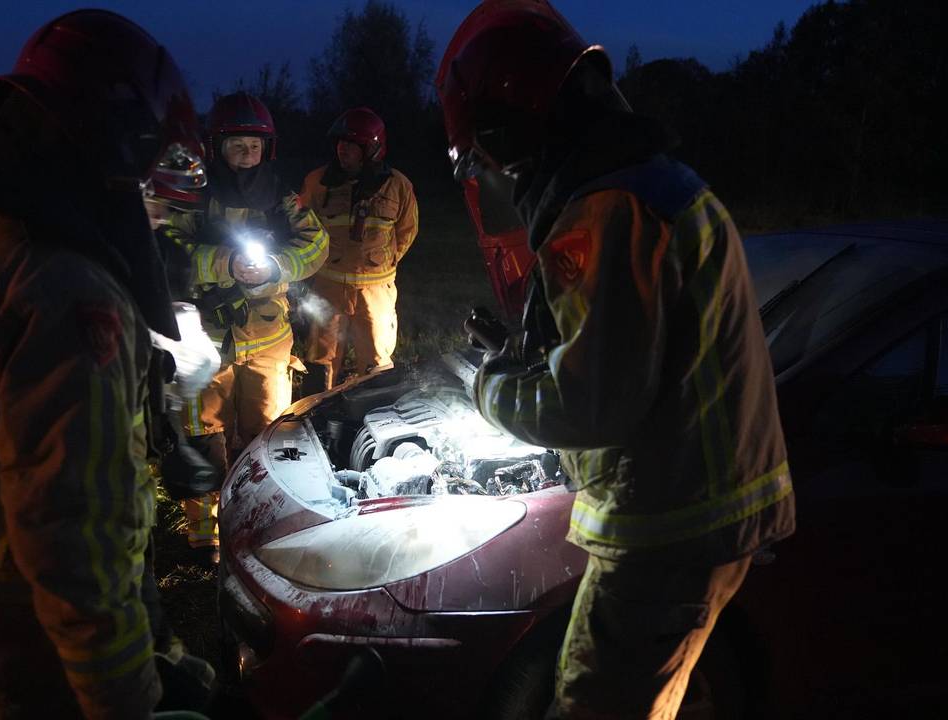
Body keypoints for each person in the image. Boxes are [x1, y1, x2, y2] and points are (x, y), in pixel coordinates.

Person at [437, 2, 796, 718]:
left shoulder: (605, 211)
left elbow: (589, 404)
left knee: (596, 704)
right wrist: (530, 352)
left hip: (668, 528)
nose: (498, 175)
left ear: (510, 131)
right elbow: (633, 347)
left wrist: (491, 389)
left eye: (487, 154)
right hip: (698, 513)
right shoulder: (654, 185)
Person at [0, 10, 214, 718]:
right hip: (32, 640)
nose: (158, 206)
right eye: (153, 169)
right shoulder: (67, 295)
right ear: (116, 146)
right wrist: (132, 698)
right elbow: (76, 542)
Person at [152, 92, 327, 565]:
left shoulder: (284, 197)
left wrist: (275, 266)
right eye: (236, 146)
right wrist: (224, 263)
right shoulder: (194, 195)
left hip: (268, 338)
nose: (245, 154)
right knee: (202, 427)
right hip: (205, 337)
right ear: (217, 148)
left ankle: (259, 518)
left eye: (253, 146)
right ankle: (203, 531)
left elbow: (316, 245)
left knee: (269, 431)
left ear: (266, 149)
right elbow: (167, 246)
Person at [299, 108, 418, 394]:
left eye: (352, 144)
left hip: (376, 290)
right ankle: (318, 411)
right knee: (321, 356)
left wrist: (382, 263)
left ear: (373, 148)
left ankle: (373, 413)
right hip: (328, 287)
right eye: (340, 143)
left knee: (376, 357)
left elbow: (407, 230)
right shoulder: (317, 182)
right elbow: (302, 226)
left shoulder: (398, 185)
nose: (343, 149)